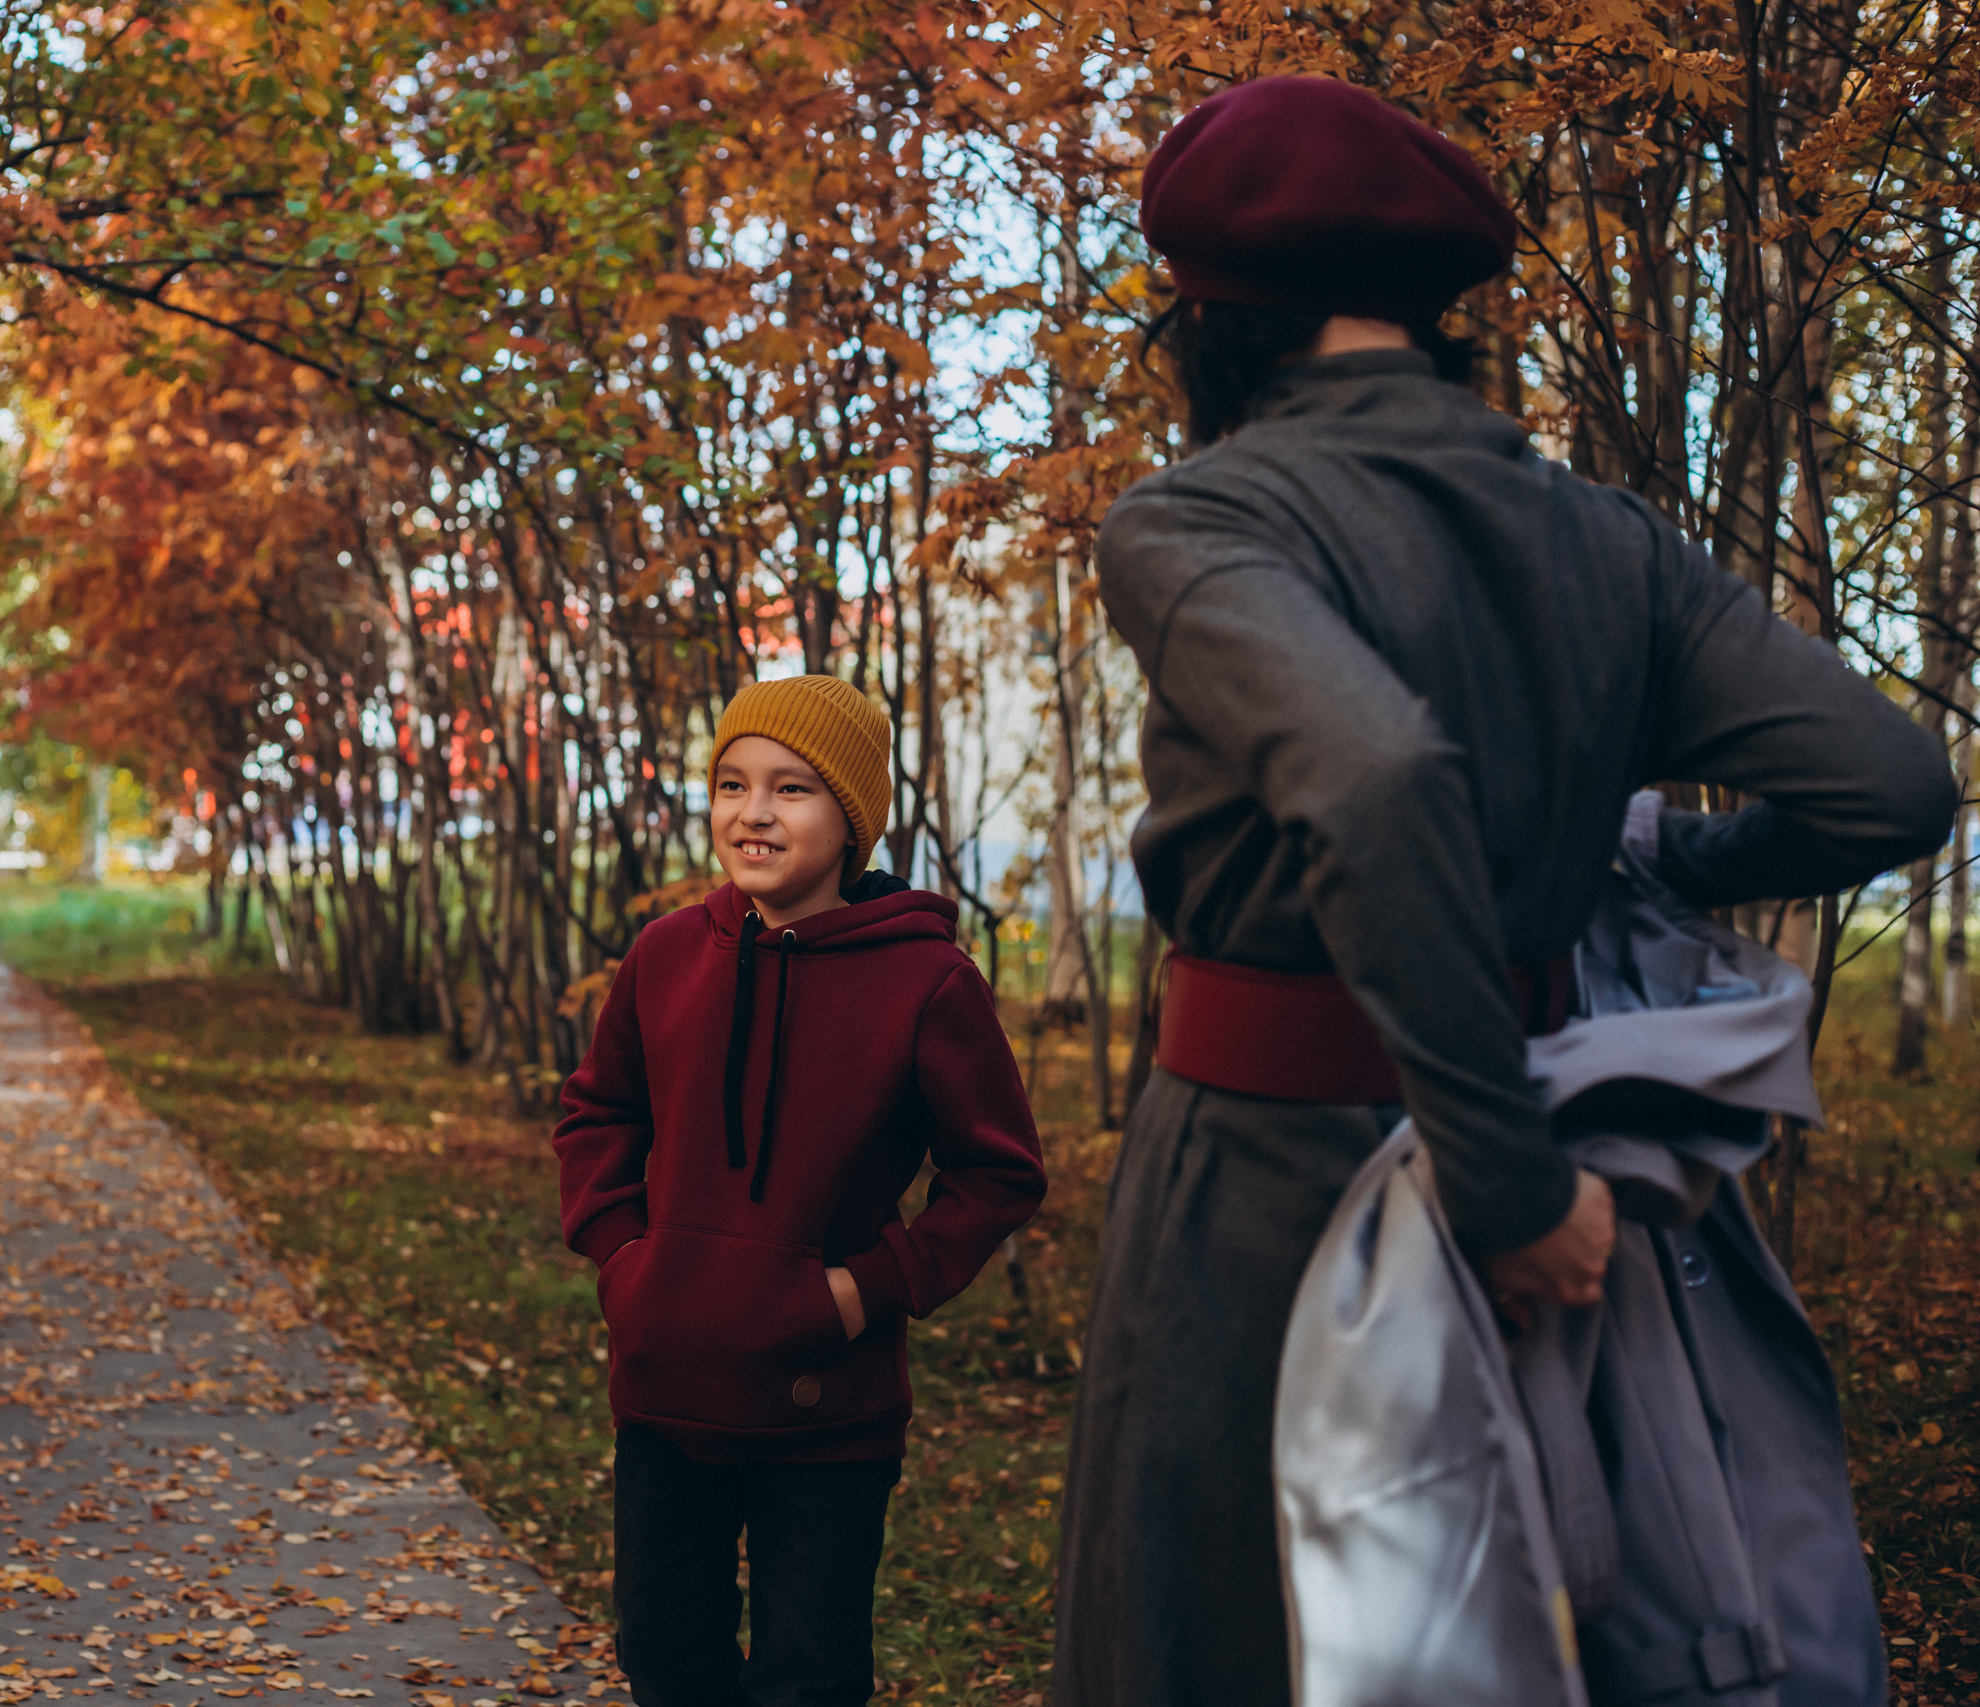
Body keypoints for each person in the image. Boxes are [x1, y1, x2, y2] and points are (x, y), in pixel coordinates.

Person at [1051, 76, 1956, 1707]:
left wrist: (1508, 1184)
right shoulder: (1603, 534)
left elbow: (1377, 775)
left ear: (1213, 320)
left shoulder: (1197, 519)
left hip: (1274, 1186)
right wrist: (1677, 855)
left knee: (1229, 1647)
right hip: (1539, 1140)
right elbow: (1887, 781)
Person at [553, 674, 1048, 1707]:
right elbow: (598, 1113)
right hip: (666, 1389)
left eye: (792, 789)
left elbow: (997, 1171)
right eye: (731, 783)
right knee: (664, 1658)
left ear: (852, 817)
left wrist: (866, 1289)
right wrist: (624, 1261)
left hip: (828, 1415)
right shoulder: (666, 955)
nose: (753, 813)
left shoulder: (926, 980)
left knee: (807, 1678)